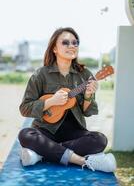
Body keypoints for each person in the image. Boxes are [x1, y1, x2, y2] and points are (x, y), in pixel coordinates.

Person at [18, 27, 116, 172]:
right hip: (46, 130)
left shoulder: (85, 74)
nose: (72, 46)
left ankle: (41, 154)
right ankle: (81, 160)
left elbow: (88, 112)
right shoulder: (40, 75)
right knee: (25, 134)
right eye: (65, 42)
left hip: (74, 132)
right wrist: (51, 101)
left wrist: (88, 95)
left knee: (100, 140)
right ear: (54, 48)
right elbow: (24, 108)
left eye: (75, 43)